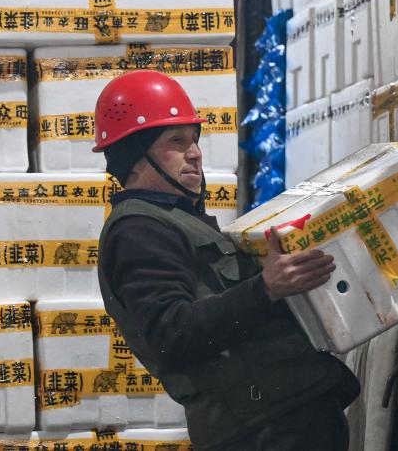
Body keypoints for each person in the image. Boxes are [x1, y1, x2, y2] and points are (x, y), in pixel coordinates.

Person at [95, 69, 360, 451]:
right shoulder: (139, 231)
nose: (195, 153)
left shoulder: (176, 219)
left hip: (282, 416)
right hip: (258, 431)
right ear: (134, 158)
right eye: (176, 141)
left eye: (194, 139)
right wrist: (266, 289)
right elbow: (173, 335)